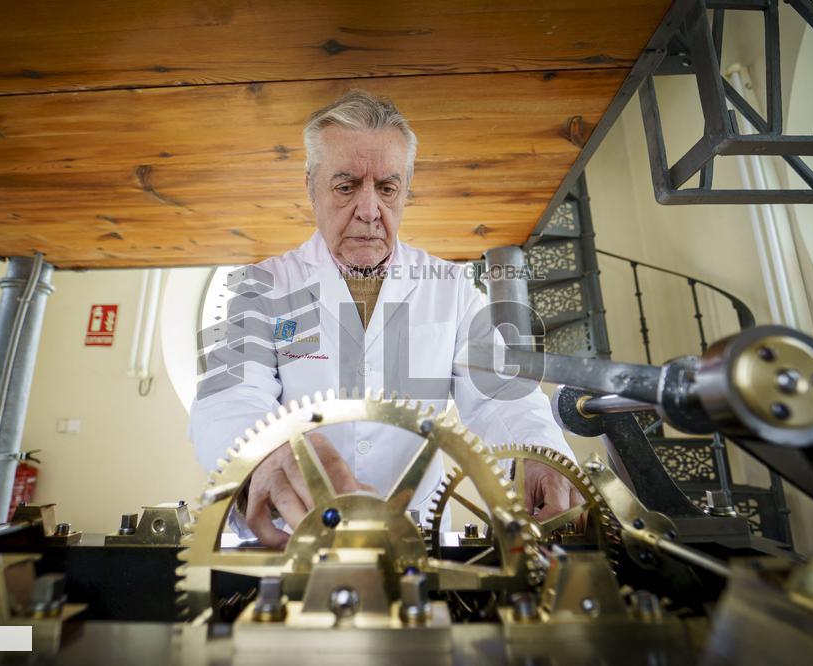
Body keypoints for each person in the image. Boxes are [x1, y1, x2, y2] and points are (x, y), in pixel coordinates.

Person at [189, 90, 582, 546]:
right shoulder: (262, 286)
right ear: (311, 185)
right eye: (346, 186)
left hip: (415, 542)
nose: (370, 210)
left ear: (406, 191)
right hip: (293, 534)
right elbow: (230, 394)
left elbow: (501, 396)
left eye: (388, 188)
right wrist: (263, 453)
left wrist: (542, 456)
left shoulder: (450, 287)